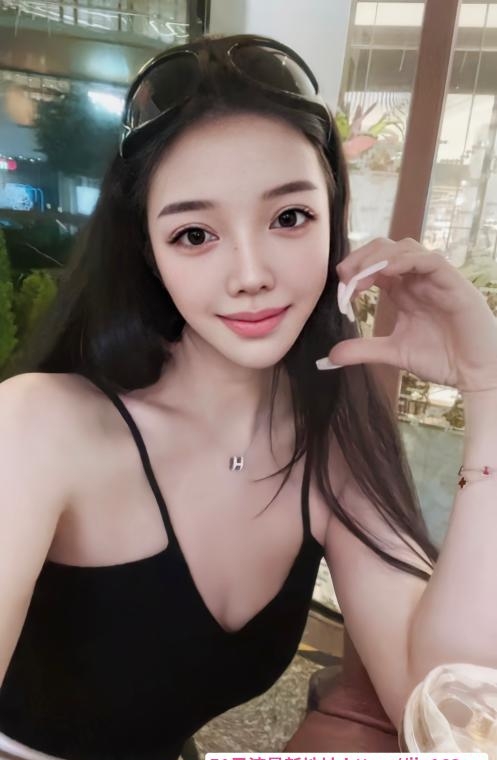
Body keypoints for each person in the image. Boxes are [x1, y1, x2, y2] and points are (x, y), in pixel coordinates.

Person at [1, 32, 497, 760]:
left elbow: (449, 713)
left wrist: (489, 390)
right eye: (194, 234)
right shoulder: (38, 427)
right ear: (148, 252)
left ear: (331, 219)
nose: (251, 273)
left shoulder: (332, 436)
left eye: (289, 217)